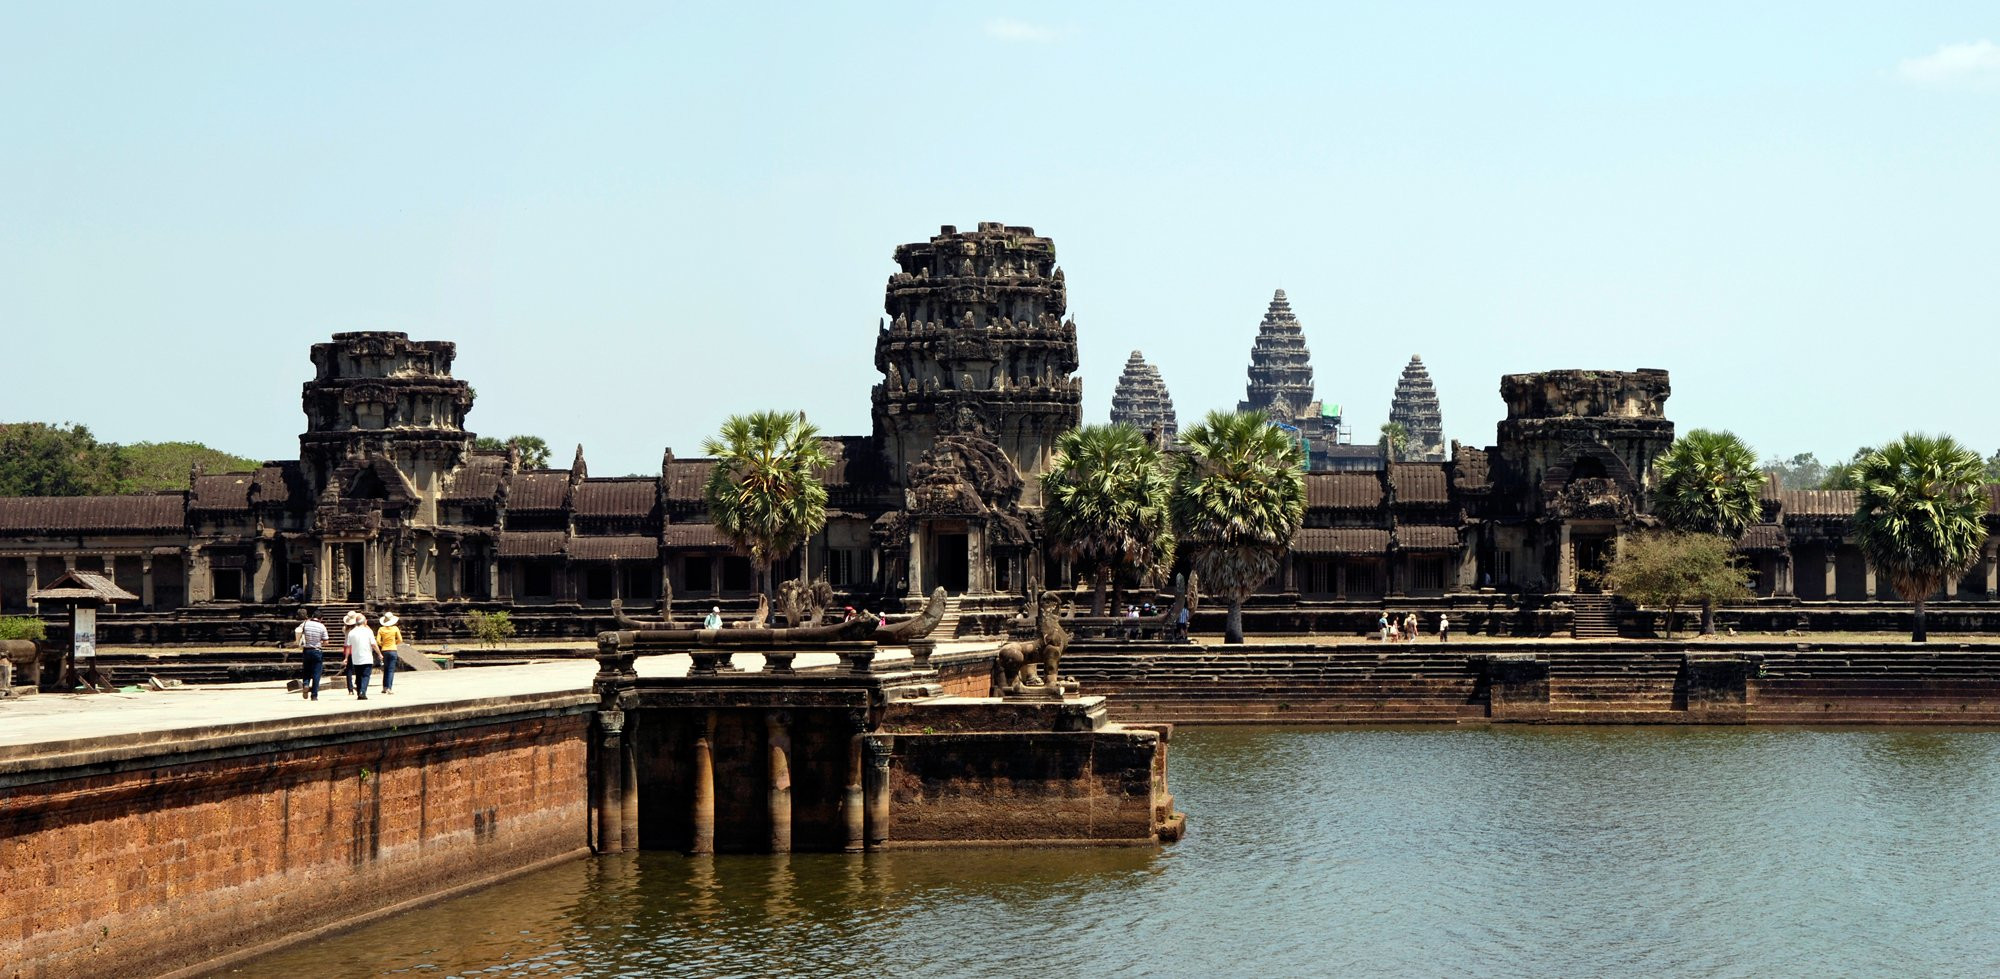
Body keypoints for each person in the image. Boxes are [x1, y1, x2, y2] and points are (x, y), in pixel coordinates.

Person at [344, 613, 378, 701]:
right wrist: (379, 653)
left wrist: (346, 658)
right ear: (364, 622)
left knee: (358, 676)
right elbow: (373, 644)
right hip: (366, 657)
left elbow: (348, 646)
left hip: (356, 658)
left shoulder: (352, 632)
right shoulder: (368, 631)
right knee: (366, 675)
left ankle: (359, 692)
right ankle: (362, 692)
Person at [296, 609, 328, 701]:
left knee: (306, 670)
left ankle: (306, 684)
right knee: (316, 674)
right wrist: (319, 641)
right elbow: (326, 642)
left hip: (306, 650)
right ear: (321, 618)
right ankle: (314, 695)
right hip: (317, 650)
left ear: (312, 616)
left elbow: (298, 631)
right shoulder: (322, 626)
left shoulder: (305, 623)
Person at [376, 612, 403, 695]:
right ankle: (389, 688)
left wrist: (383, 644)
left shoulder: (381, 629)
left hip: (384, 650)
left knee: (386, 669)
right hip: (393, 650)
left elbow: (377, 641)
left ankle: (384, 687)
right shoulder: (395, 629)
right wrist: (394, 643)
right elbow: (400, 640)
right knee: (391, 670)